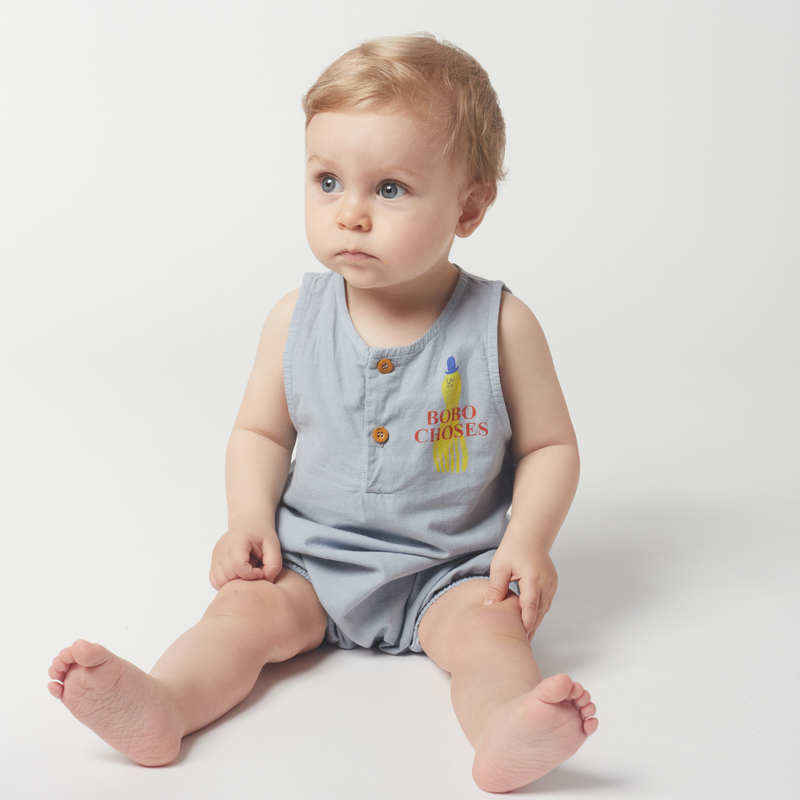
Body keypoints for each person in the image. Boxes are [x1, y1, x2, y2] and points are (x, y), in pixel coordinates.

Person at [47, 34, 598, 793]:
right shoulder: (295, 319)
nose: (351, 215)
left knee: (490, 638)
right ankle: (165, 704)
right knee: (238, 619)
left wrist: (528, 541)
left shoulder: (501, 325)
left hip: (450, 569)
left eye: (391, 189)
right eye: (328, 181)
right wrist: (248, 518)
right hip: (309, 563)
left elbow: (549, 447)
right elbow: (260, 431)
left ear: (469, 207)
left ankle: (505, 726)